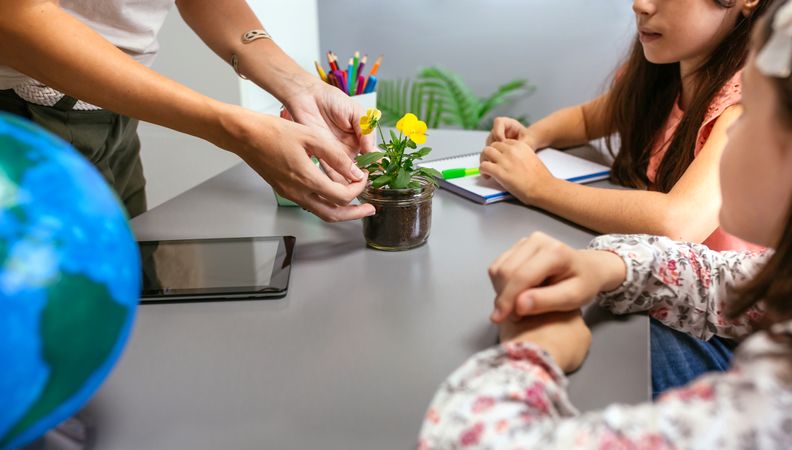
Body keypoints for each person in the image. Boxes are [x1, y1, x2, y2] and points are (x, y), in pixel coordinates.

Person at [418, 1, 792, 446]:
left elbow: (473, 437)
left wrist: (532, 356)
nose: (639, 4)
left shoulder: (761, 414)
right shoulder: (659, 78)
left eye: (749, 119)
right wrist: (610, 266)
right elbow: (730, 280)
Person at [484, 0, 770, 396]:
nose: (639, 5)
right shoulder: (664, 77)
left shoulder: (748, 102)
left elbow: (677, 223)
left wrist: (540, 187)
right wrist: (531, 138)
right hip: (669, 289)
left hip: (729, 340)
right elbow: (586, 119)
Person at [0, 0, 376, 222]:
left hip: (114, 113)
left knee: (131, 307)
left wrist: (302, 87)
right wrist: (235, 129)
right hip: (21, 124)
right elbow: (15, 19)